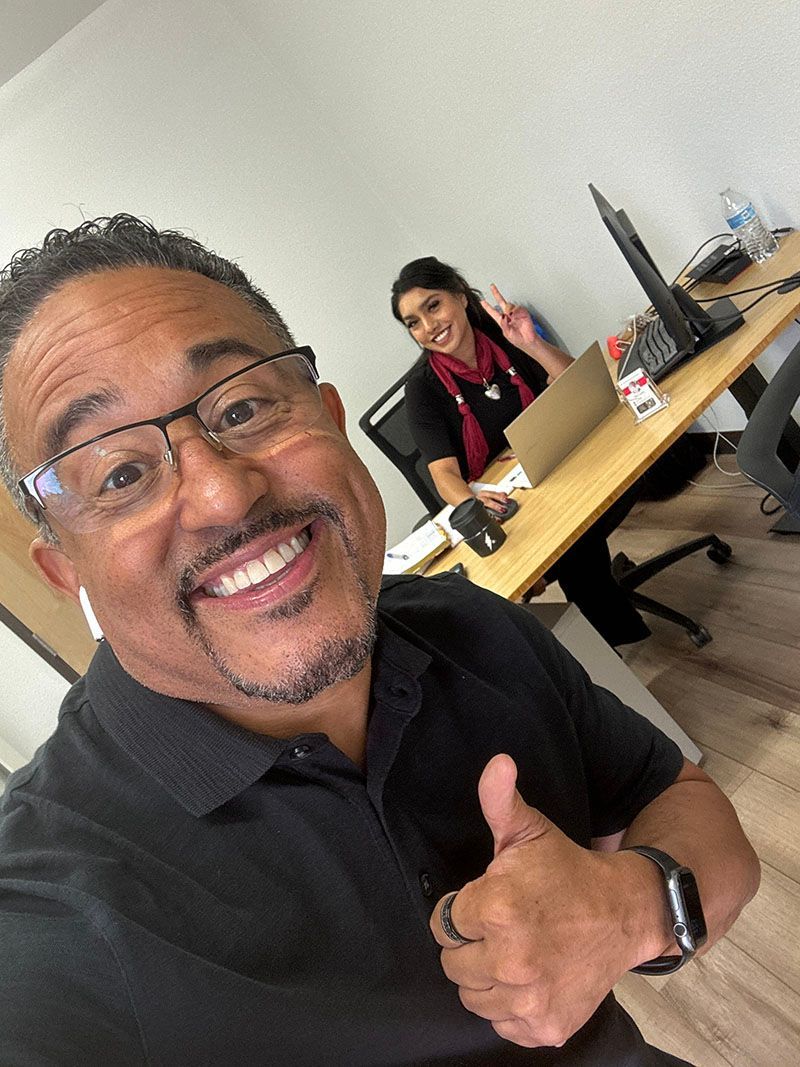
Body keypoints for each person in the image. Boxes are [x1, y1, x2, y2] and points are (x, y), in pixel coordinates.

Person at [0, 216, 759, 1066]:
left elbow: (692, 807)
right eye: (120, 473)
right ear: (65, 571)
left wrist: (633, 906)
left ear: (330, 418)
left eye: (242, 407)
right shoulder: (50, 907)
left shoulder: (471, 626)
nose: (221, 494)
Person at [392, 257, 651, 647]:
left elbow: (578, 386)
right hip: (517, 501)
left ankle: (619, 635)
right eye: (413, 322)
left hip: (560, 462)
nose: (428, 326)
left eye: (433, 306)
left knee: (578, 542)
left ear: (460, 296)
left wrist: (531, 344)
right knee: (575, 551)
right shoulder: (423, 389)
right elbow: (443, 476)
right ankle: (625, 637)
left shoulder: (503, 334)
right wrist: (473, 506)